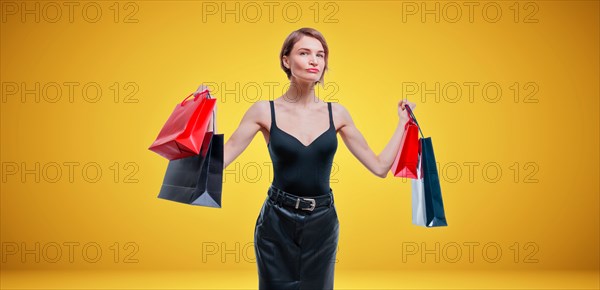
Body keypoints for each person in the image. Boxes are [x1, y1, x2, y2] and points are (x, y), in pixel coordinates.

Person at [195, 27, 415, 290]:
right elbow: (217, 163)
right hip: (276, 223)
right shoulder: (264, 111)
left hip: (322, 224)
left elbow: (380, 167)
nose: (314, 60)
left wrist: (402, 124)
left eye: (320, 55)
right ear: (286, 60)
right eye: (304, 52)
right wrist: (206, 118)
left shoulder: (338, 113)